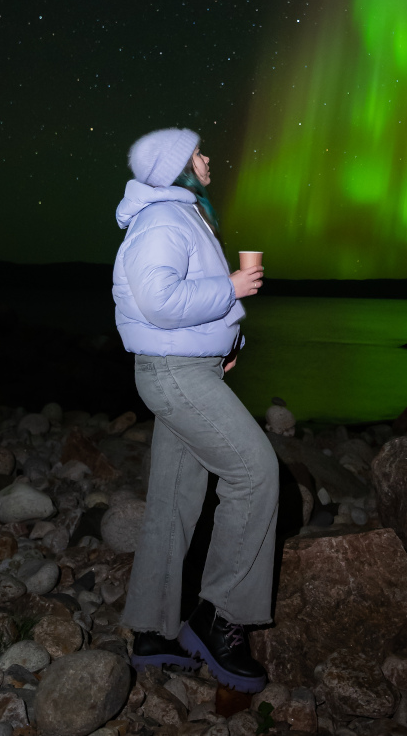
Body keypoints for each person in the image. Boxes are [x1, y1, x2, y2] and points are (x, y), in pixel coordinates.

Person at [113, 127, 278, 693]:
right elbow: (159, 301)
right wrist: (232, 287)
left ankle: (152, 629)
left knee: (175, 496)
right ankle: (220, 617)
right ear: (175, 166)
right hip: (174, 375)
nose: (208, 158)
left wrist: (222, 342)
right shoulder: (162, 220)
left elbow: (183, 299)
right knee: (255, 473)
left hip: (188, 368)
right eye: (197, 153)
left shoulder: (182, 216)